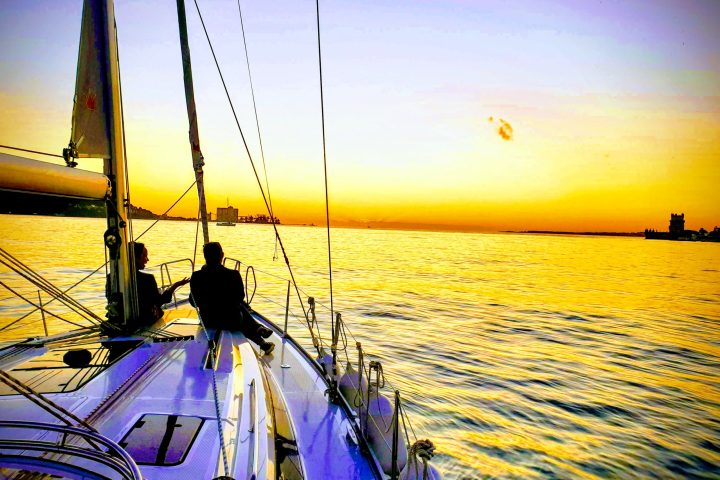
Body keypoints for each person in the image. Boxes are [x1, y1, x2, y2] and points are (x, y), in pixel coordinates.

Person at [190, 242, 274, 355]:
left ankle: (262, 339)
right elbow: (239, 297)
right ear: (222, 255)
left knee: (238, 307)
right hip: (232, 321)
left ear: (205, 257)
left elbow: (194, 302)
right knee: (239, 307)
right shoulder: (233, 274)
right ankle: (259, 333)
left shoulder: (196, 276)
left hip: (208, 321)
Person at [131, 241, 189, 328]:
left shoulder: (113, 278)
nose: (147, 259)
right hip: (145, 320)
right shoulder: (147, 279)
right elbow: (160, 301)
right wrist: (175, 285)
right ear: (136, 257)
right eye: (145, 256)